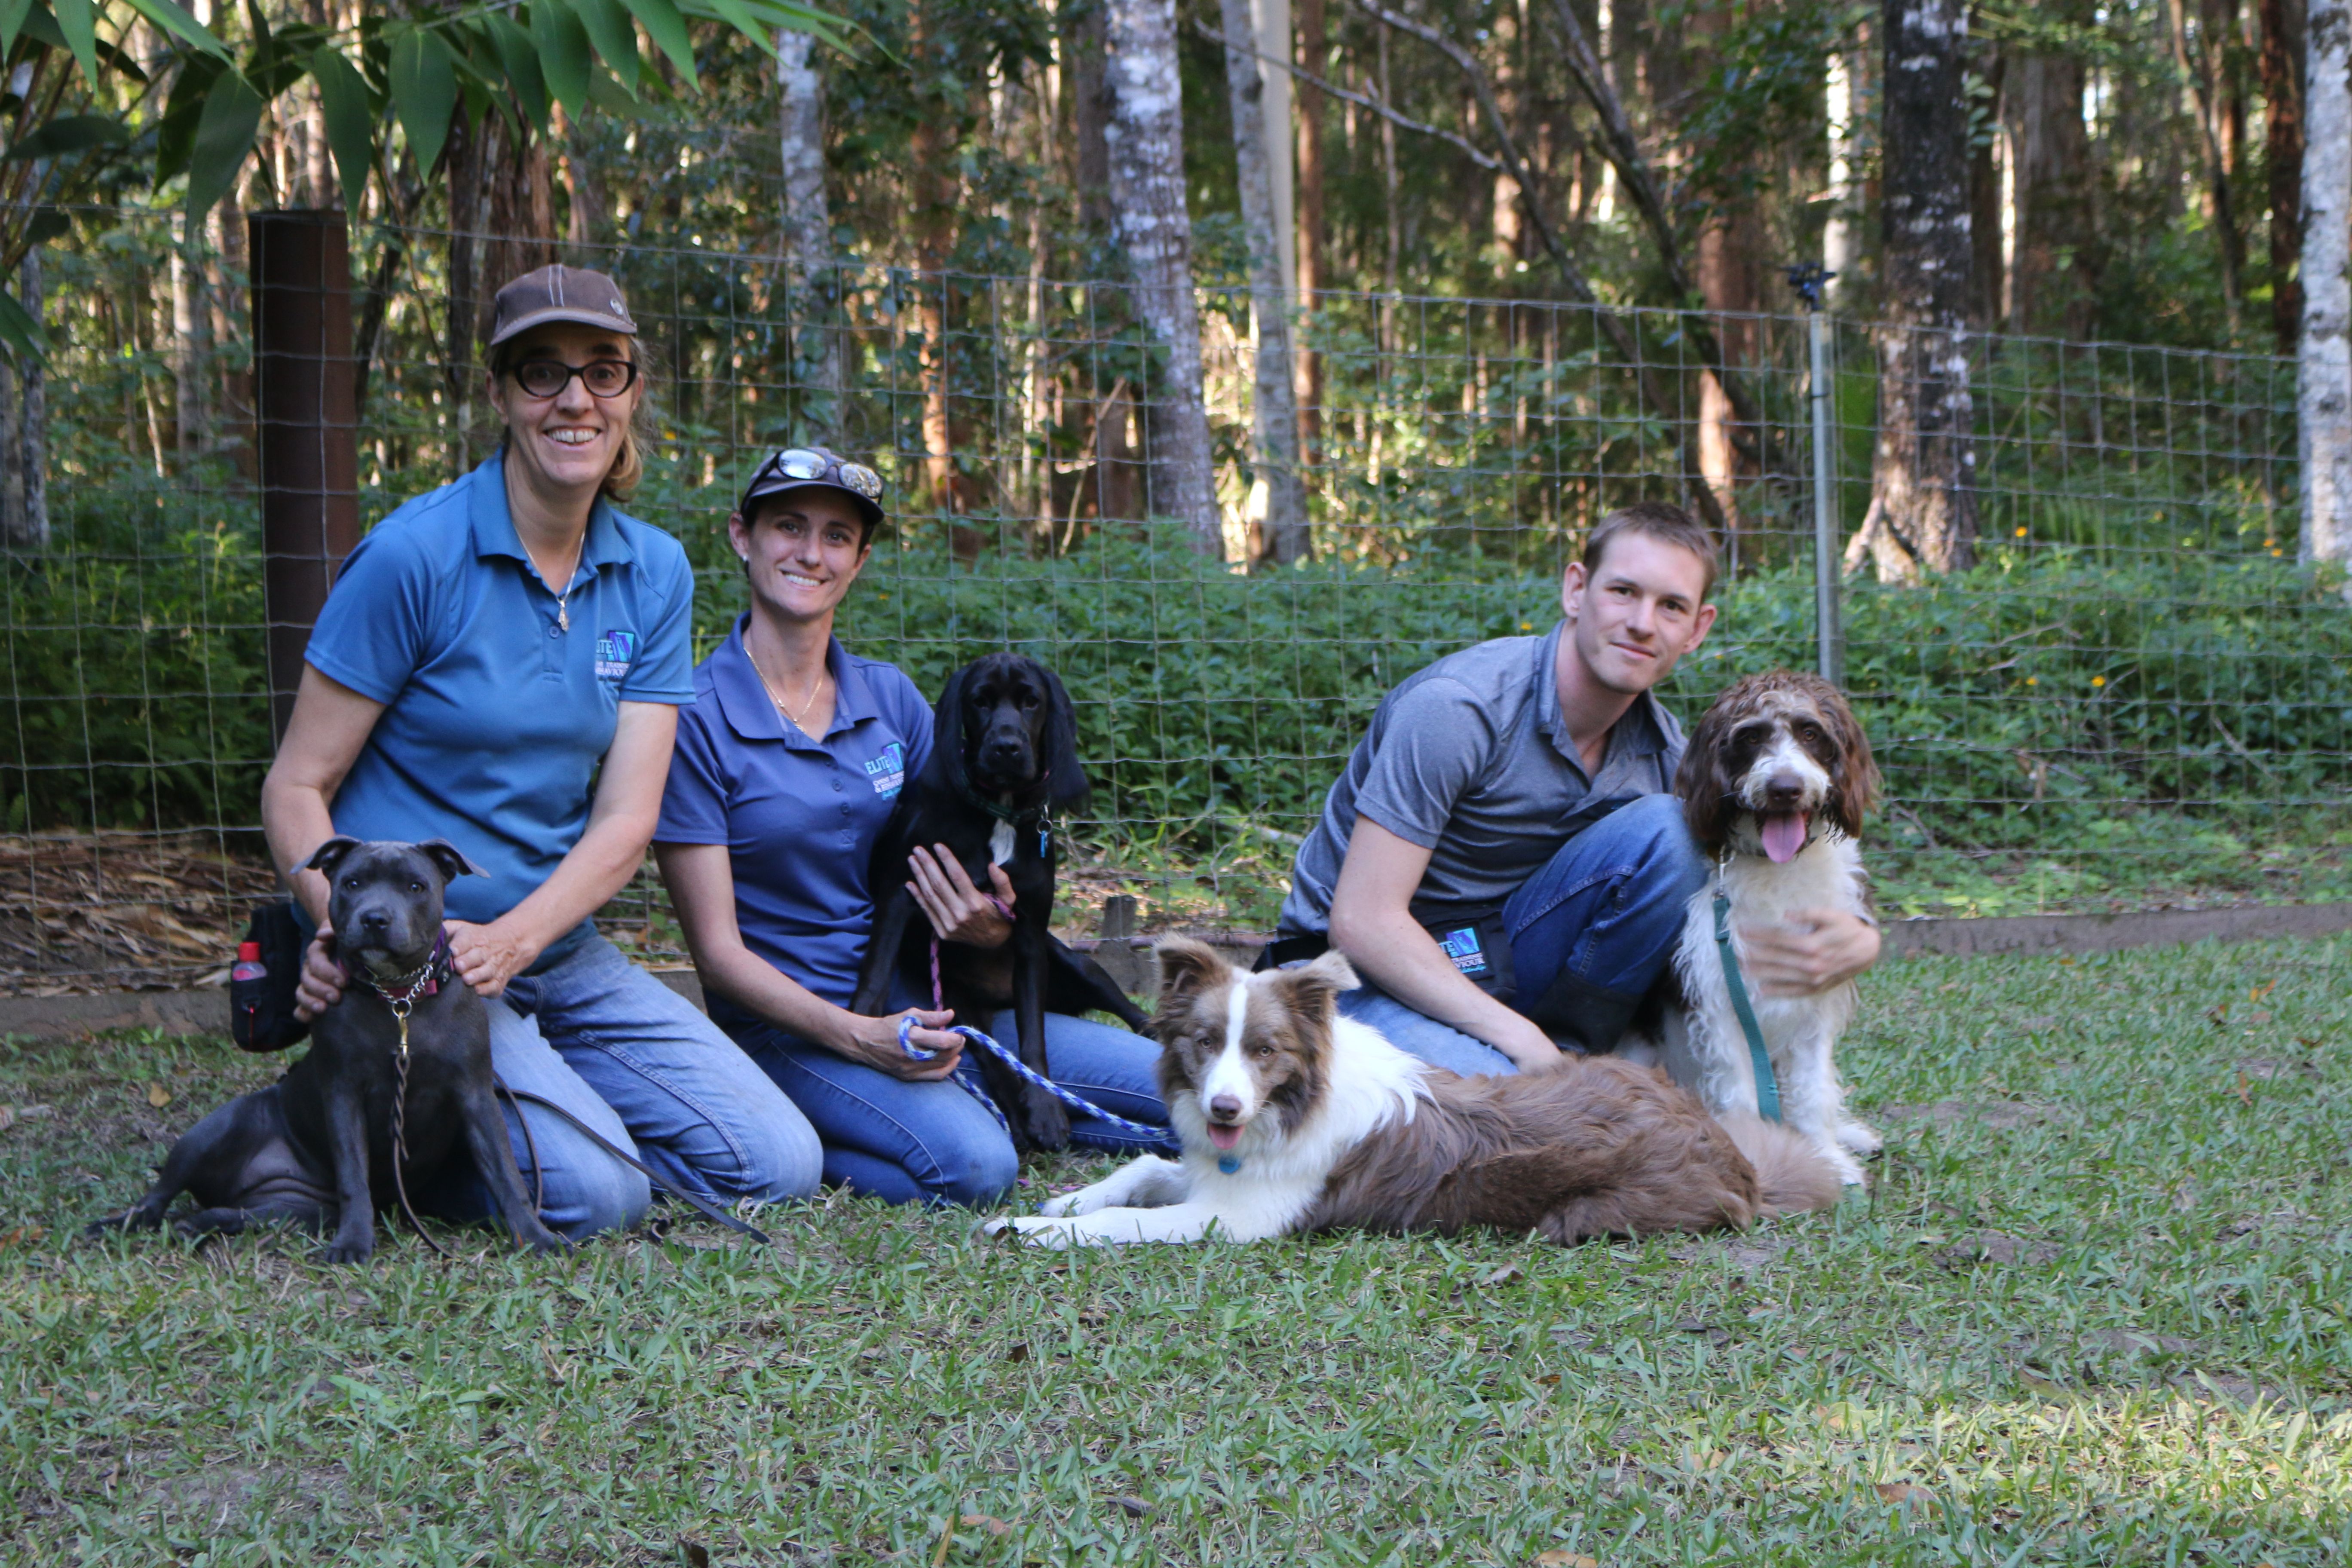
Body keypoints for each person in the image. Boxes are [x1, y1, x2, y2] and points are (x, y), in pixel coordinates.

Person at [260, 265, 821, 1239]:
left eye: (604, 372)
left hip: (556, 947)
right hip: (420, 965)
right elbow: (298, 785)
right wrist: (336, 933)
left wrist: (519, 941)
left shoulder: (652, 570)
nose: (575, 400)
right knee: (602, 1198)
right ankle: (394, 1138)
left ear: (634, 392)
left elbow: (627, 818)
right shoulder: (414, 558)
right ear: (499, 394)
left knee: (778, 1160)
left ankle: (539, 1108)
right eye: (542, 373)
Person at [652, 447, 1177, 1206]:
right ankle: (785, 1126)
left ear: (859, 559)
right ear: (743, 536)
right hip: (797, 1027)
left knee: (1172, 1091)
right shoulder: (696, 717)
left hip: (936, 1006)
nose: (811, 552)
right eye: (789, 527)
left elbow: (979, 841)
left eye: (837, 536)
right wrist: (857, 1035)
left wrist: (994, 929)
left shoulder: (891, 699)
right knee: (979, 1166)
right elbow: (718, 956)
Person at [1270, 500, 1881, 1077]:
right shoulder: (1459, 710)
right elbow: (1363, 922)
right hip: (1350, 977)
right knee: (1502, 1102)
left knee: (1672, 832)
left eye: (1671, 606)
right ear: (1575, 590)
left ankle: (1575, 1064)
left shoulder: (1665, 751)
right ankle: (1204, 1066)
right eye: (1622, 592)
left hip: (1501, 958)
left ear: (1697, 629)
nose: (1642, 623)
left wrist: (1862, 938)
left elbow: (1750, 878)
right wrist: (1521, 1043)